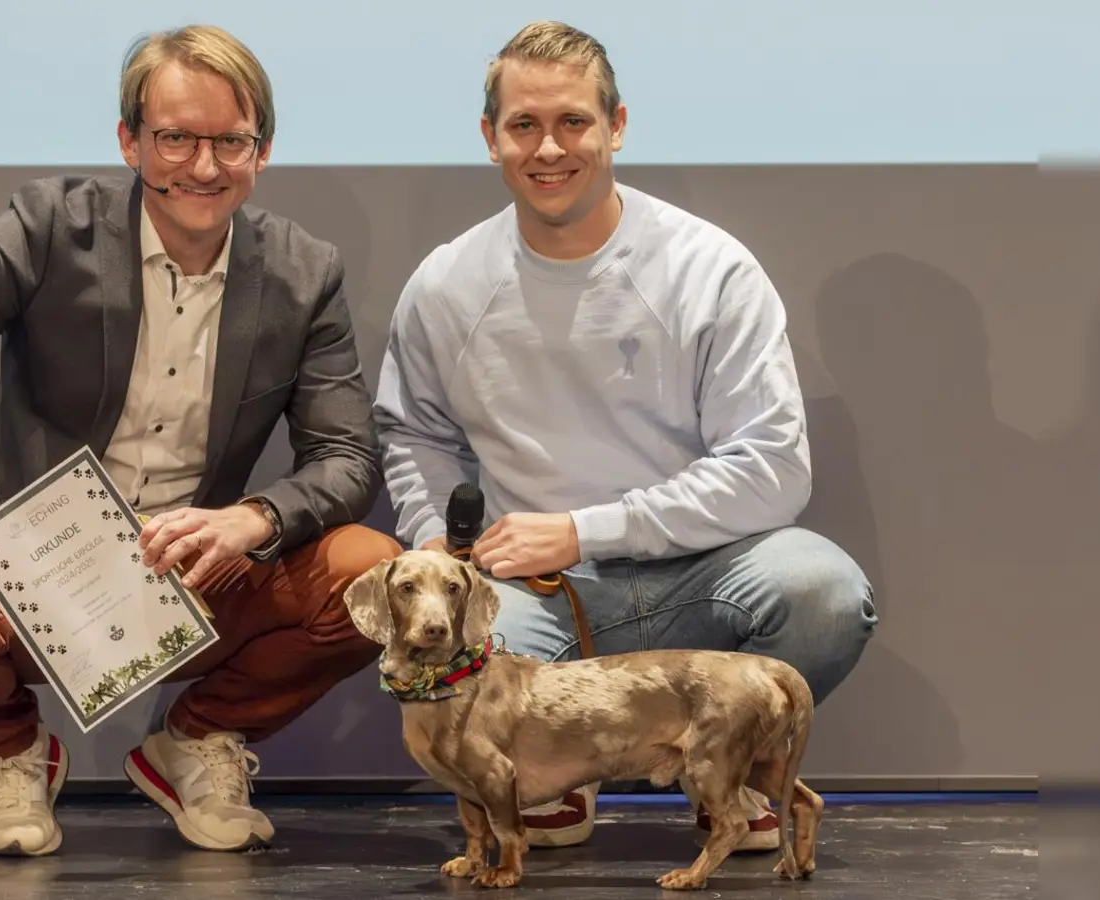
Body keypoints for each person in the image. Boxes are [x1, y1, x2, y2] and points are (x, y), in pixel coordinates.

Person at [0, 24, 400, 857]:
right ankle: (11, 751)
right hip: (29, 564)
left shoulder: (302, 272)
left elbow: (346, 458)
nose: (202, 166)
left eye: (229, 141)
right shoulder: (48, 226)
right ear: (130, 141)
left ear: (262, 151)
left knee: (375, 579)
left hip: (194, 566)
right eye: (175, 137)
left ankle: (195, 741)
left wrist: (249, 521)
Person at [373, 21, 878, 852]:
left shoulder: (708, 268)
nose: (548, 148)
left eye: (573, 122)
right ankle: (556, 773)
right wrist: (437, 544)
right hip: (534, 598)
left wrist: (584, 528)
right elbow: (412, 430)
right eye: (523, 125)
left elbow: (773, 467)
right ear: (489, 138)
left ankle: (722, 761)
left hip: (702, 579)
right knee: (422, 625)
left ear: (617, 126)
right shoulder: (446, 282)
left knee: (822, 593)